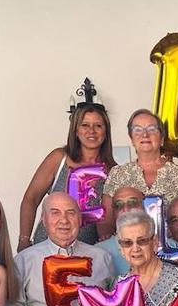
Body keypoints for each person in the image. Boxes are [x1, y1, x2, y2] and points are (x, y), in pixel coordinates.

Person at [18, 102, 116, 249]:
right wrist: (24, 240)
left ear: (106, 131)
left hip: (89, 254)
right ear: (76, 130)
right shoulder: (59, 158)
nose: (92, 131)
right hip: (47, 249)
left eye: (98, 126)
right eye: (85, 125)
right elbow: (30, 199)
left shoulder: (113, 171)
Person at [102, 109, 178, 227]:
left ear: (161, 139)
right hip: (127, 244)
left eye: (151, 129)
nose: (145, 134)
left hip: (173, 244)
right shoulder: (117, 174)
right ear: (132, 140)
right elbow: (106, 222)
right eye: (138, 130)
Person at [98, 186, 147, 276]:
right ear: (113, 213)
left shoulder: (168, 247)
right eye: (118, 205)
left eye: (133, 202)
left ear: (145, 206)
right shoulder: (99, 252)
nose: (126, 209)